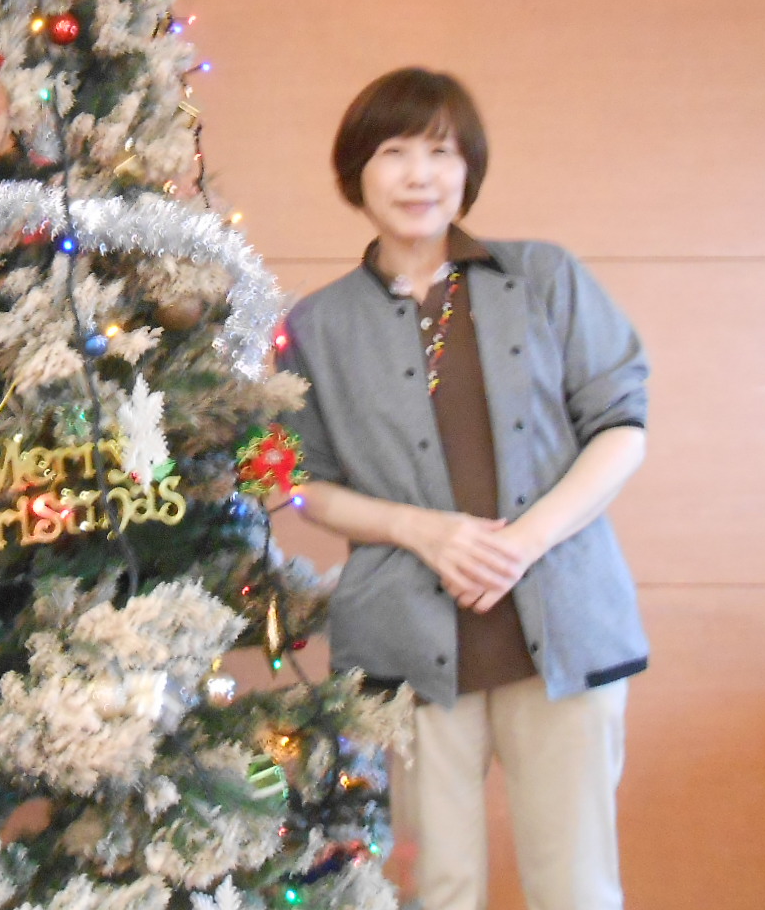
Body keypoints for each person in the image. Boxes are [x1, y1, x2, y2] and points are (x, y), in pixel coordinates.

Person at [277, 67, 649, 910]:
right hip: (406, 645)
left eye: (440, 153)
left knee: (577, 886)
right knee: (436, 888)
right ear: (356, 172)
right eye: (394, 152)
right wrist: (423, 530)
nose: (419, 175)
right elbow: (305, 483)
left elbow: (622, 428)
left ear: (468, 169)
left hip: (565, 632)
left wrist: (524, 542)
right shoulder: (315, 325)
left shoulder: (545, 277)